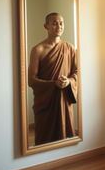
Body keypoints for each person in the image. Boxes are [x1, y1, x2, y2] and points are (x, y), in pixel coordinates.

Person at [28, 12, 77, 145]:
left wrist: (68, 81)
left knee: (65, 135)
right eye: (54, 23)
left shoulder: (70, 48)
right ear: (46, 26)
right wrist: (53, 84)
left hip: (63, 99)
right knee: (45, 135)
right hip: (46, 101)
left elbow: (76, 72)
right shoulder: (38, 50)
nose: (59, 26)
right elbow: (31, 80)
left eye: (61, 23)